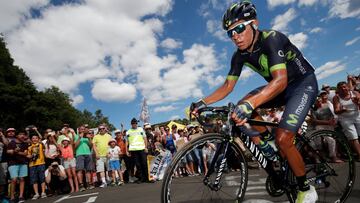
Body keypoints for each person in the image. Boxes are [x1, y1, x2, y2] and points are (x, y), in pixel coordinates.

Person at [190, 1, 318, 202]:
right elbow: (227, 87)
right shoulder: (239, 56)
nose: (235, 36)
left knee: (283, 137)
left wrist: (250, 105)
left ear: (254, 24)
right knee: (243, 101)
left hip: (302, 85)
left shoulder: (272, 39)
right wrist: (201, 103)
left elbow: (280, 80)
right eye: (230, 33)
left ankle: (305, 187)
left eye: (239, 28)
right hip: (280, 88)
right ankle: (268, 145)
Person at [333, 81, 360, 160]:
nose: (343, 89)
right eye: (341, 88)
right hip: (345, 119)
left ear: (348, 87)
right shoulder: (336, 97)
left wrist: (357, 102)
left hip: (357, 115)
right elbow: (336, 111)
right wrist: (342, 110)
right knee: (353, 137)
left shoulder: (355, 93)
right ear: (338, 90)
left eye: (344, 87)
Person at [125, 118, 150, 183]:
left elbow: (145, 138)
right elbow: (127, 142)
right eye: (133, 123)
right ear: (131, 124)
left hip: (142, 149)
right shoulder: (128, 131)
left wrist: (146, 147)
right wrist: (126, 151)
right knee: (138, 165)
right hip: (133, 150)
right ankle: (141, 178)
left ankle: (147, 178)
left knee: (144, 163)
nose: (135, 124)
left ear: (137, 123)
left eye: (136, 123)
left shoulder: (141, 129)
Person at [7, 131, 29, 203]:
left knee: (22, 179)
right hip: (13, 163)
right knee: (14, 179)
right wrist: (14, 150)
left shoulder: (25, 144)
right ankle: (12, 197)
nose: (22, 136)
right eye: (20, 134)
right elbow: (8, 152)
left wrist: (16, 152)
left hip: (23, 163)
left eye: (23, 134)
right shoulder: (11, 143)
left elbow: (25, 153)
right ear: (17, 136)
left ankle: (21, 196)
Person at [74, 125, 94, 191]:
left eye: (83, 129)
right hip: (80, 154)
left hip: (88, 154)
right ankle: (81, 185)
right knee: (79, 170)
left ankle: (89, 184)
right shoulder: (76, 136)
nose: (83, 130)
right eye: (81, 129)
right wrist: (79, 138)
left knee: (88, 170)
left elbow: (91, 146)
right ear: (79, 130)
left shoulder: (87, 137)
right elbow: (75, 146)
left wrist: (89, 138)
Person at [27, 134, 47, 199]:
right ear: (31, 140)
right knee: (34, 179)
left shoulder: (41, 145)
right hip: (32, 164)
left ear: (38, 139)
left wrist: (36, 130)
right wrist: (29, 156)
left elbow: (41, 137)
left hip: (41, 163)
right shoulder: (29, 147)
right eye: (33, 138)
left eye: (36, 138)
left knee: (42, 178)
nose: (35, 139)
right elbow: (28, 155)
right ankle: (36, 193)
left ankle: (43, 192)